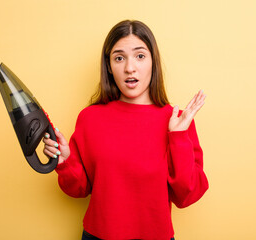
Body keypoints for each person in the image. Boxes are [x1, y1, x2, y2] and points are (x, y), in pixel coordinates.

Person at [43, 20, 209, 240]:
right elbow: (80, 189)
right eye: (119, 58)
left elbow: (187, 196)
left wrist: (177, 138)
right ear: (109, 67)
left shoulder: (177, 121)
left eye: (140, 56)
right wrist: (64, 161)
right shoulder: (90, 118)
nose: (130, 68)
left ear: (153, 62)